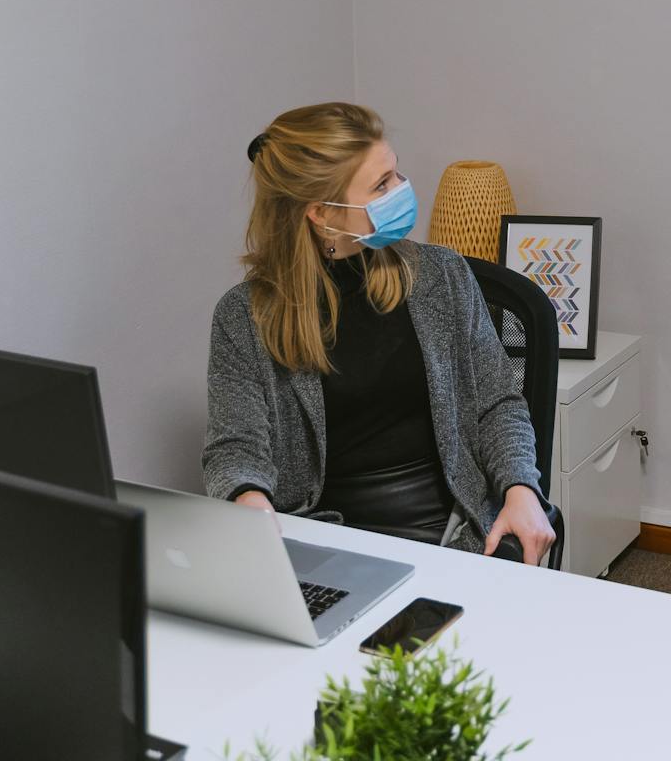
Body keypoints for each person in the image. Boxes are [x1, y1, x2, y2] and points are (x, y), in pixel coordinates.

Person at [202, 101, 556, 566]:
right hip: (328, 542)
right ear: (321, 213)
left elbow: (497, 404)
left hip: (454, 531)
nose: (402, 191)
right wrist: (248, 498)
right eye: (381, 185)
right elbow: (235, 447)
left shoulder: (441, 276)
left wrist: (520, 488)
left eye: (396, 174)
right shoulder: (244, 318)